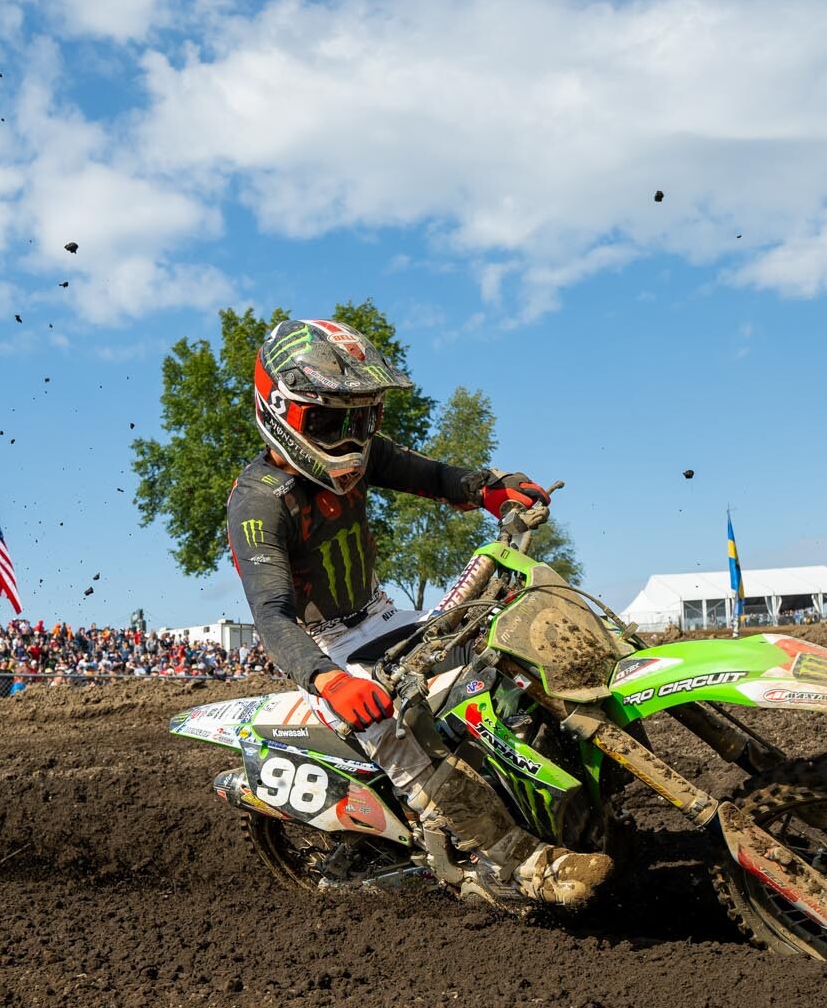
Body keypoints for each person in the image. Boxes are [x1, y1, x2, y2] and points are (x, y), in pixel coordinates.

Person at [223, 317, 608, 909]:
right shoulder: (258, 502)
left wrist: (486, 488)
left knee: (505, 649)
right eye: (329, 422)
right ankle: (519, 863)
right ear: (280, 410)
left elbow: (430, 474)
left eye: (363, 419)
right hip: (326, 650)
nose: (350, 438)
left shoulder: (362, 456)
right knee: (397, 730)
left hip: (384, 616)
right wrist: (329, 680)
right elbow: (272, 615)